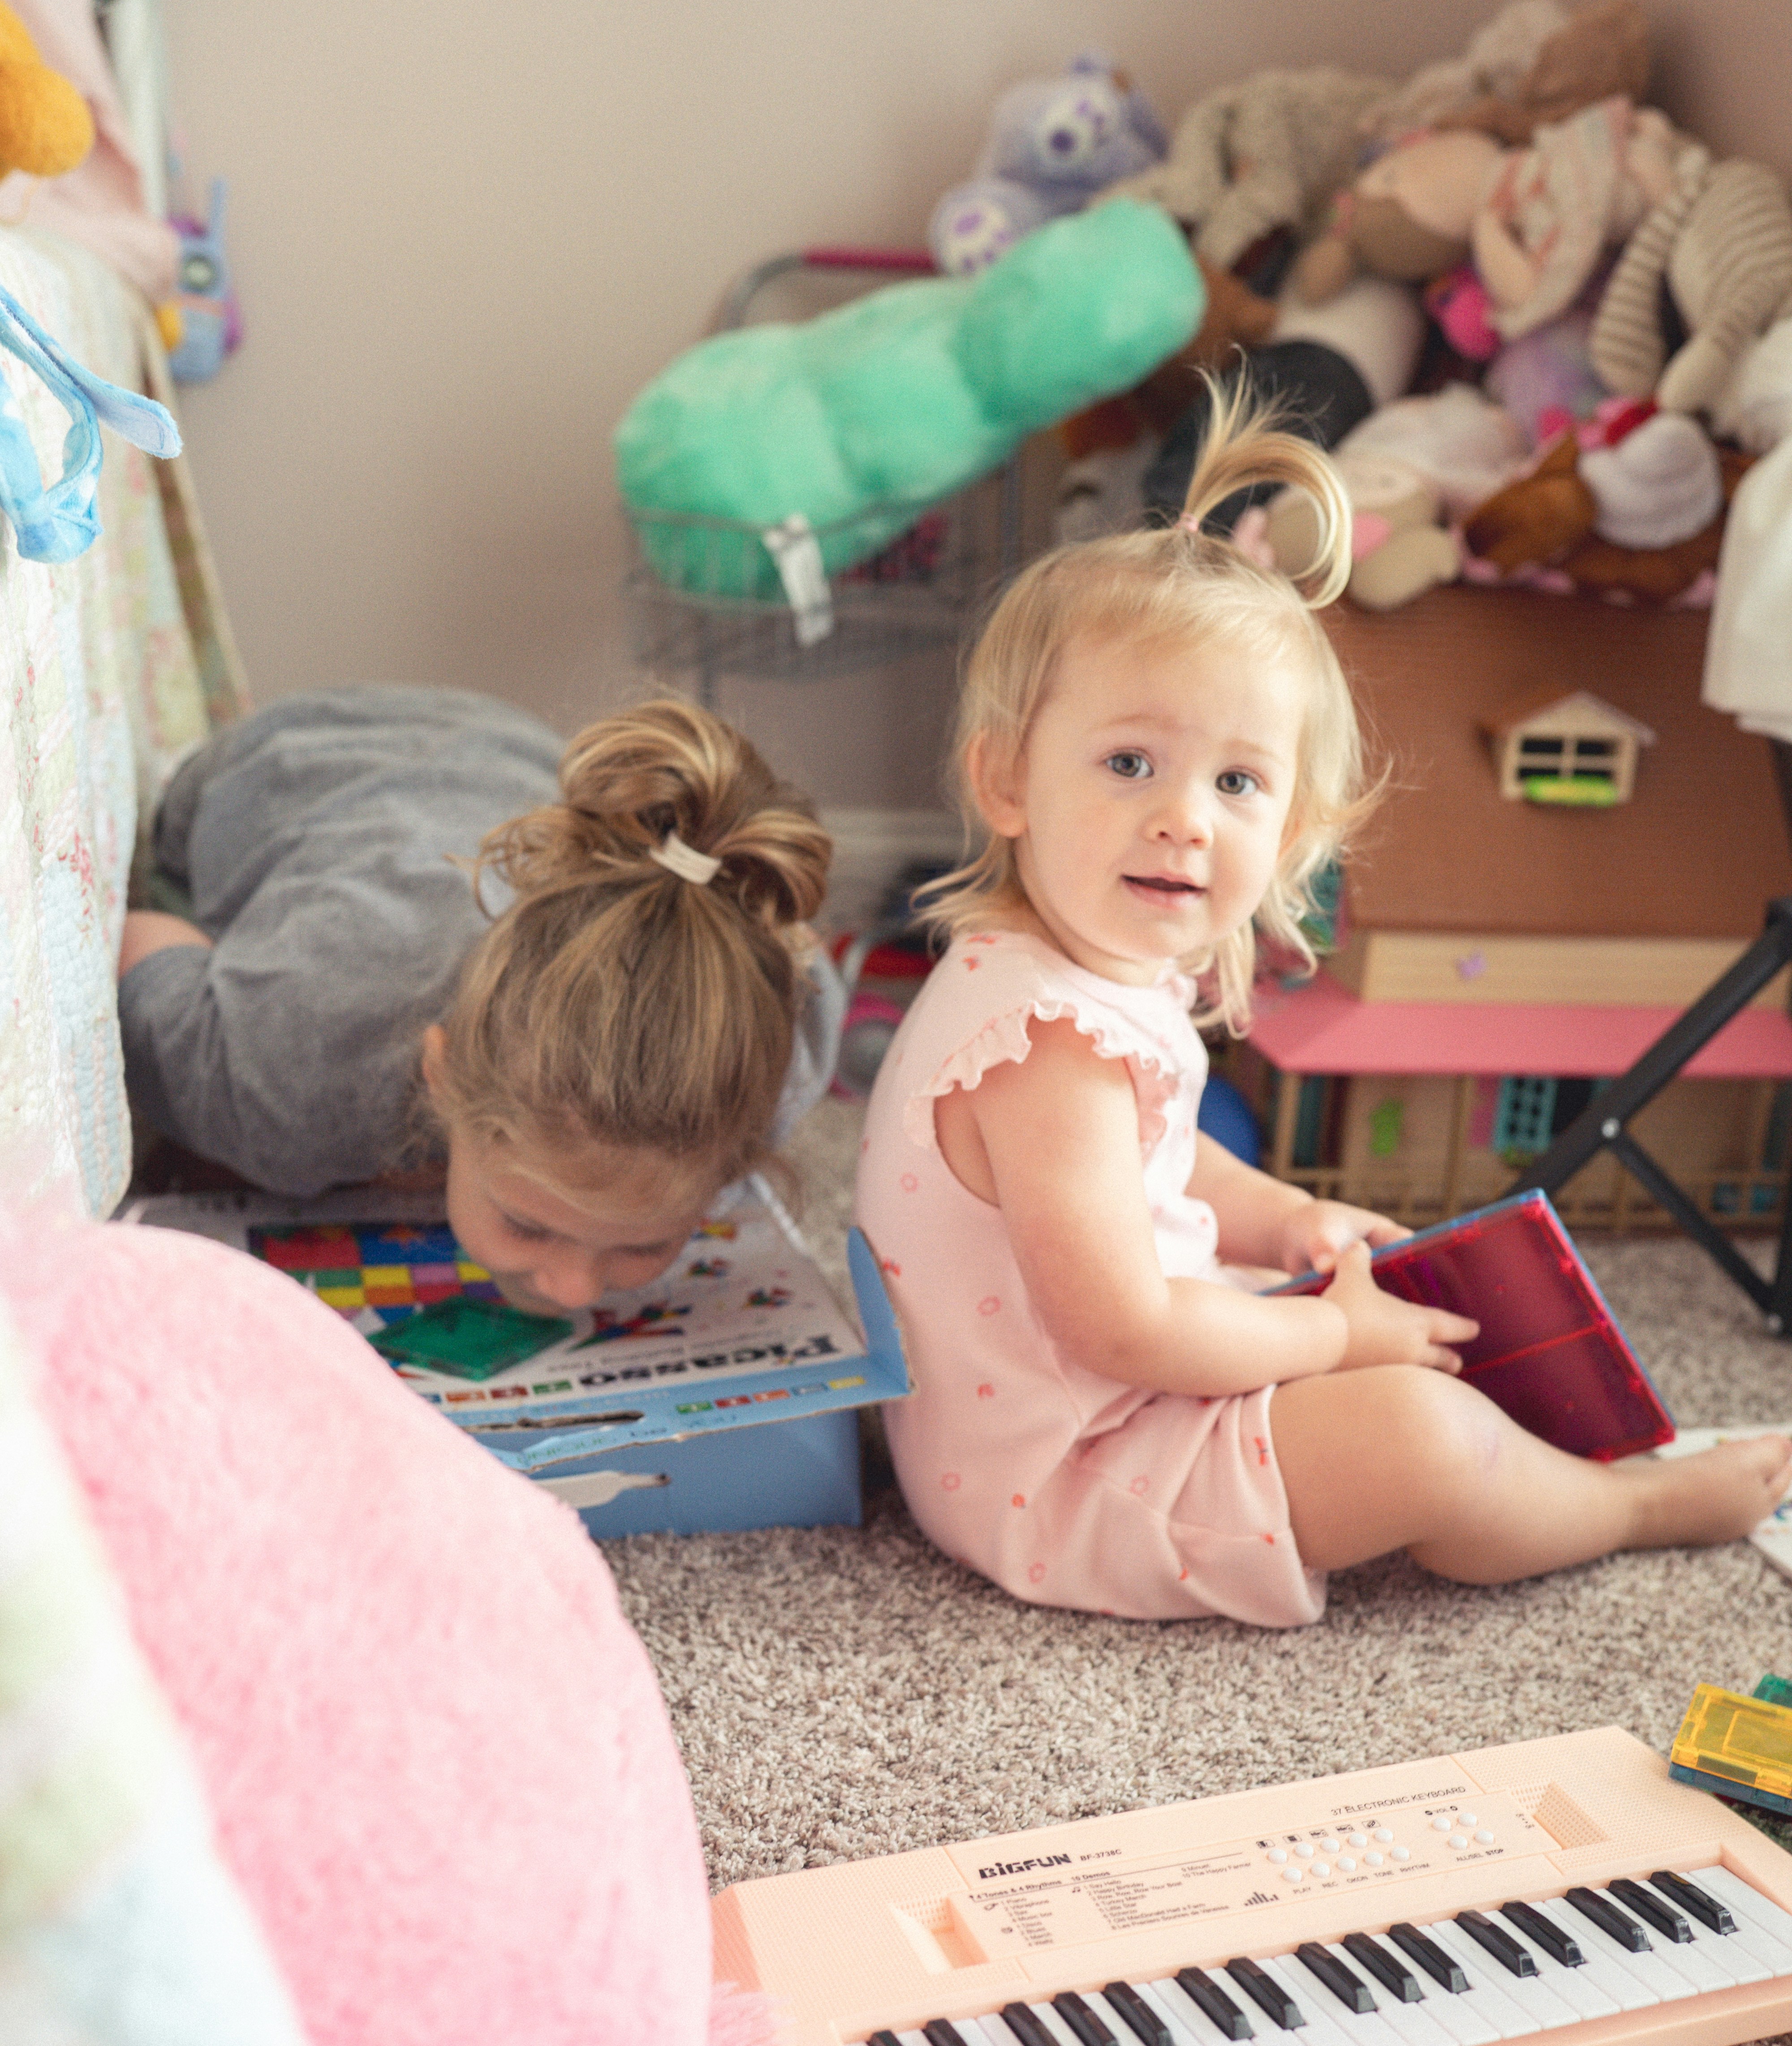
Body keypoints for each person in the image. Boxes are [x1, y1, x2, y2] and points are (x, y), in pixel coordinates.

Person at [855, 386, 1792, 1623]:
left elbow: (1165, 1161)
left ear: (1287, 830)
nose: (1184, 815)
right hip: (1066, 1481)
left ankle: (1534, 1454)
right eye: (1130, 761)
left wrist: (1286, 1219)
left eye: (1237, 780)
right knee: (1422, 1432)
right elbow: (1128, 1333)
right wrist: (1333, 1344)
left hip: (1073, 1415)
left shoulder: (1078, 983)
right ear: (1007, 780)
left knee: (1380, 1329)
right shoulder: (1048, 1050)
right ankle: (1636, 1508)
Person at [120, 689, 843, 1311]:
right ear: (438, 1076)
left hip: (511, 751)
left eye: (647, 1243)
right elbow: (137, 938)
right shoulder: (289, 1067)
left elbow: (767, 915)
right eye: (528, 1225)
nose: (573, 1289)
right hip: (289, 752)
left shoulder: (785, 1030)